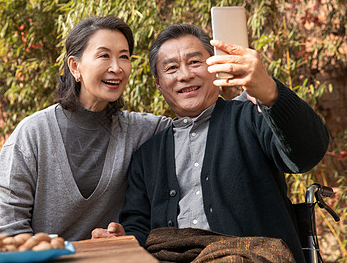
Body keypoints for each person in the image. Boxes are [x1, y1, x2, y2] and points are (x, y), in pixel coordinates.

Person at [91, 23, 329, 262]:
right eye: (171, 68)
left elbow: (306, 155)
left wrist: (269, 91)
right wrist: (123, 238)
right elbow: (139, 229)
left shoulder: (251, 118)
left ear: (216, 67)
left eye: (195, 62)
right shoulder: (147, 155)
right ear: (158, 82)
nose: (184, 75)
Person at [0, 16, 174, 241]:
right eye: (104, 55)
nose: (116, 68)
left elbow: (199, 124)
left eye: (124, 57)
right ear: (75, 67)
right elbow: (9, 226)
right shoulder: (32, 134)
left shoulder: (142, 130)